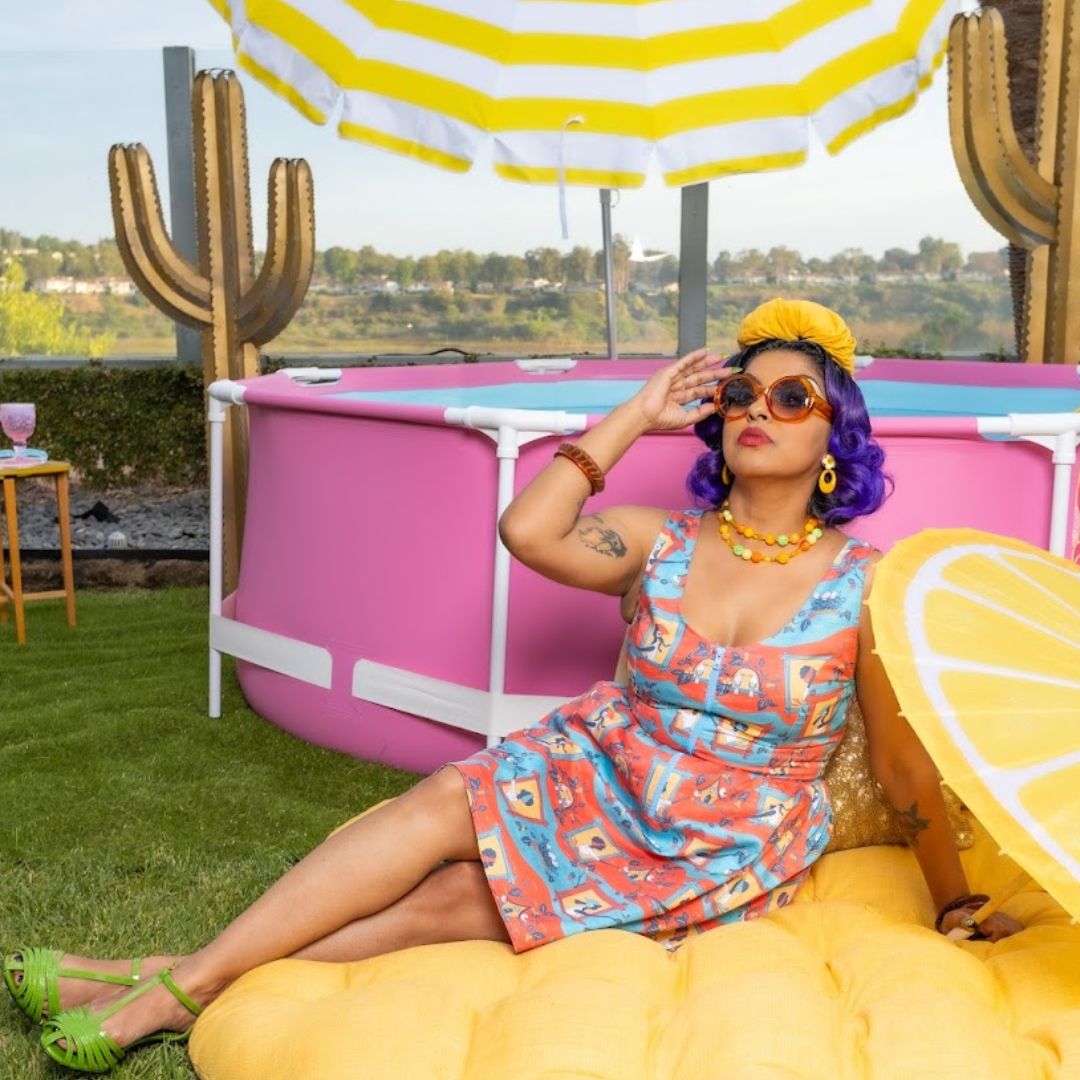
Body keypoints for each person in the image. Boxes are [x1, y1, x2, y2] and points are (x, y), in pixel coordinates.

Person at [3, 299, 1022, 1073]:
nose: (760, 409)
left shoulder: (865, 586)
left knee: (447, 903)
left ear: (831, 439)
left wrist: (956, 901)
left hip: (716, 840)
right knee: (441, 799)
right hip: (602, 763)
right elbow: (526, 531)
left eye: (791, 397)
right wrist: (636, 413)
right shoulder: (658, 542)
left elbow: (899, 774)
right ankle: (181, 982)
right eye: (740, 395)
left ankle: (166, 981)